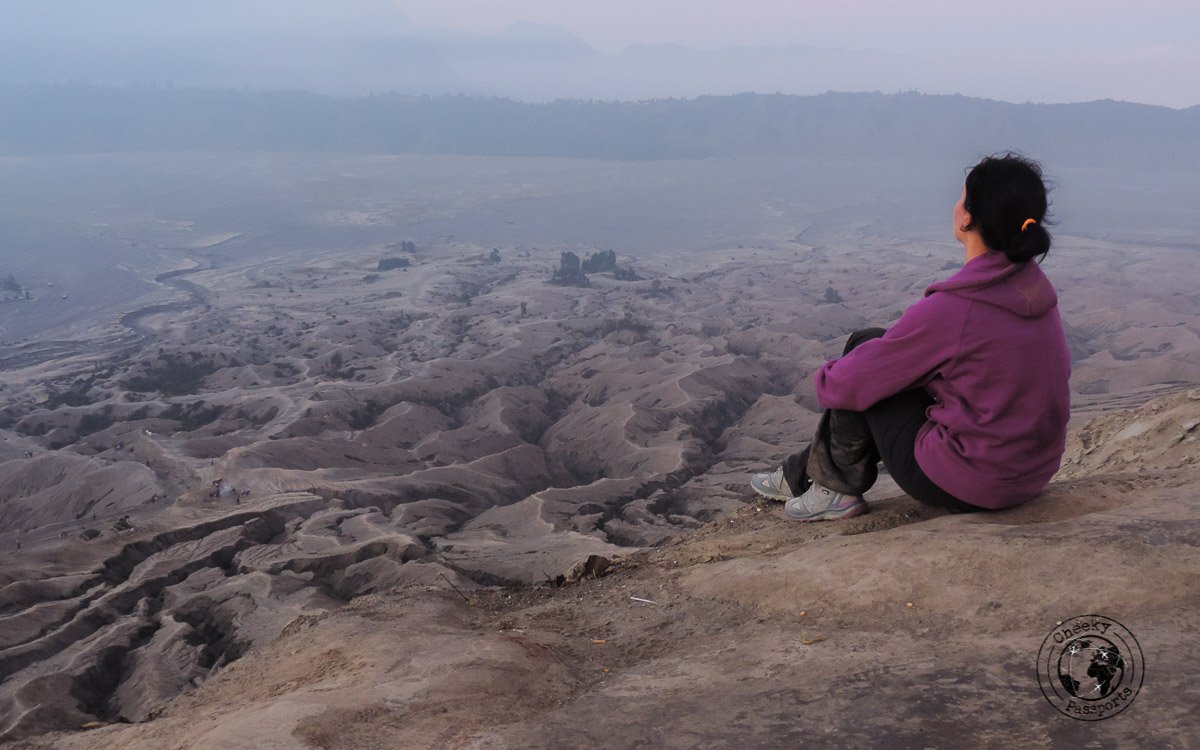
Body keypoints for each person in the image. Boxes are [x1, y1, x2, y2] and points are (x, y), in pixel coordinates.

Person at [752, 153, 1071, 520]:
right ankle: (800, 475)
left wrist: (828, 375)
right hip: (1031, 475)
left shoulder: (957, 308)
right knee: (881, 359)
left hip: (972, 482)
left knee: (863, 352)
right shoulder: (1033, 291)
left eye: (961, 197)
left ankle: (832, 491)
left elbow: (849, 384)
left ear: (968, 216)